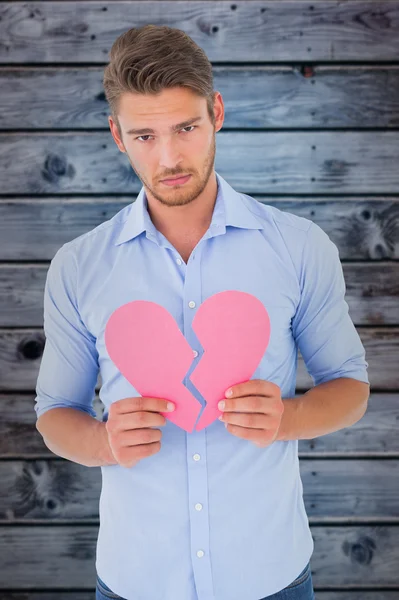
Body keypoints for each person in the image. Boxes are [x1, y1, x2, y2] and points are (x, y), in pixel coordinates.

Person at [34, 24, 370, 600]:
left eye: (185, 127)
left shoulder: (298, 247)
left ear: (216, 111)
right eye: (144, 135)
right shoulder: (79, 267)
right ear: (116, 134)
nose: (169, 157)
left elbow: (351, 389)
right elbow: (54, 413)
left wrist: (287, 417)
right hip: (134, 582)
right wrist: (103, 443)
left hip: (273, 579)